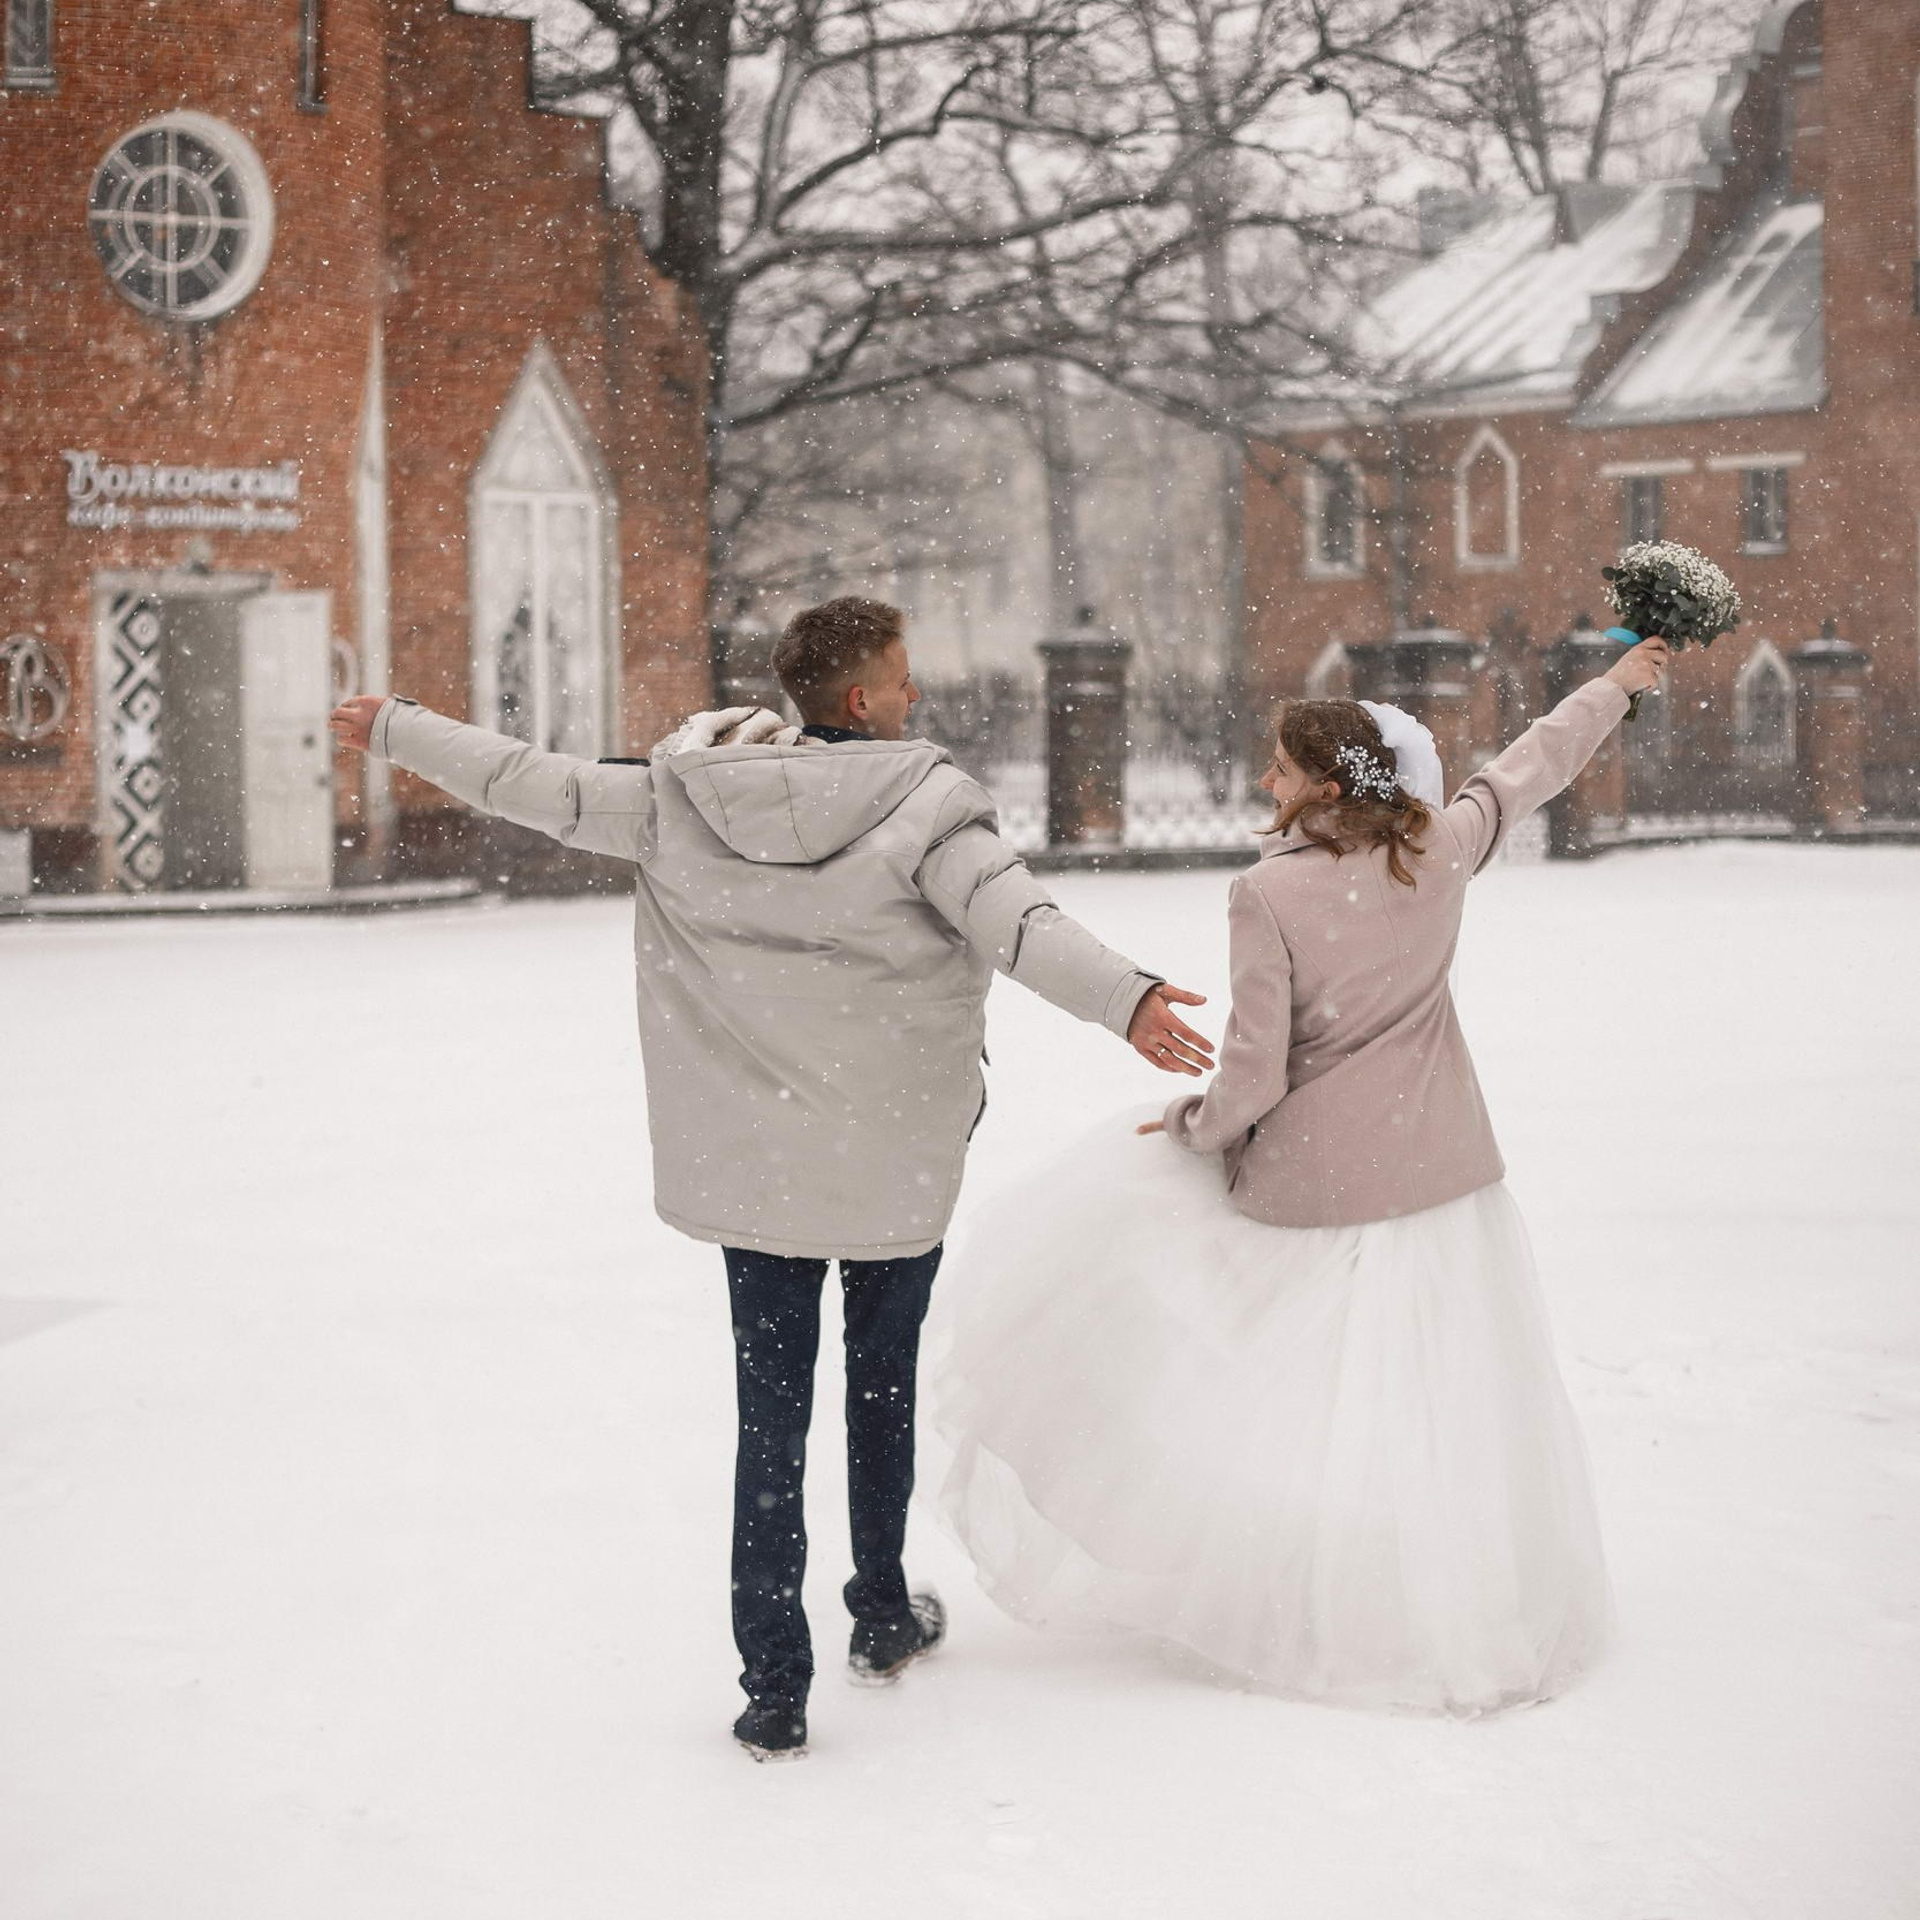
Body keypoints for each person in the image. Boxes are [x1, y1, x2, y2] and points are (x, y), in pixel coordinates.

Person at [327, 595, 1213, 1762]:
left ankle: (773, 1684)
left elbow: (525, 780)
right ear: (860, 700)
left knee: (770, 1419)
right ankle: (883, 1614)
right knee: (878, 1396)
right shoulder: (929, 808)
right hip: (891, 1161)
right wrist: (1130, 999)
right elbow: (1020, 923)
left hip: (760, 1173)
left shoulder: (676, 797)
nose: (913, 697)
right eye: (899, 679)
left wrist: (395, 724)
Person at [934, 637, 1674, 1716]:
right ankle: (1458, 1600)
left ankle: (1300, 1589)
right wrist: (1616, 685)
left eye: (1280, 767)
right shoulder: (1442, 851)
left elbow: (1255, 1069)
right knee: (1440, 1405)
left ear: (1326, 785)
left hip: (1318, 1191)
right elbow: (1528, 764)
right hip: (1444, 1178)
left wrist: (1195, 1128)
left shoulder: (1266, 893)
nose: (1266, 780)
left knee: (1290, 1399)